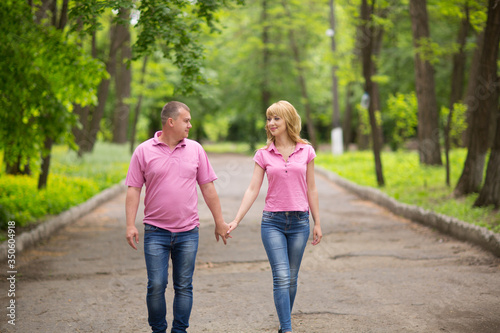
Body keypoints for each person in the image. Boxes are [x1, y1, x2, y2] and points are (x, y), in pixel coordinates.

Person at [125, 101, 230, 333]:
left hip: (188, 232)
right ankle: (158, 330)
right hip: (155, 231)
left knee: (184, 286)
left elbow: (208, 188)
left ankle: (179, 331)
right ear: (170, 122)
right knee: (156, 285)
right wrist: (130, 224)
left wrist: (219, 221)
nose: (190, 125)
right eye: (186, 120)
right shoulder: (143, 151)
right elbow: (133, 188)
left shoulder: (195, 149)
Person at [227, 100, 322, 333]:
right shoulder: (263, 154)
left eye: (276, 118)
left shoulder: (306, 150)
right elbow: (252, 189)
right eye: (269, 119)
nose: (271, 123)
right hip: (273, 223)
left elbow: (311, 188)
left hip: (300, 221)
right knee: (280, 276)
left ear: (288, 120)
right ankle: (287, 328)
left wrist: (317, 222)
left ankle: (283, 325)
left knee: (291, 277)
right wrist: (236, 219)